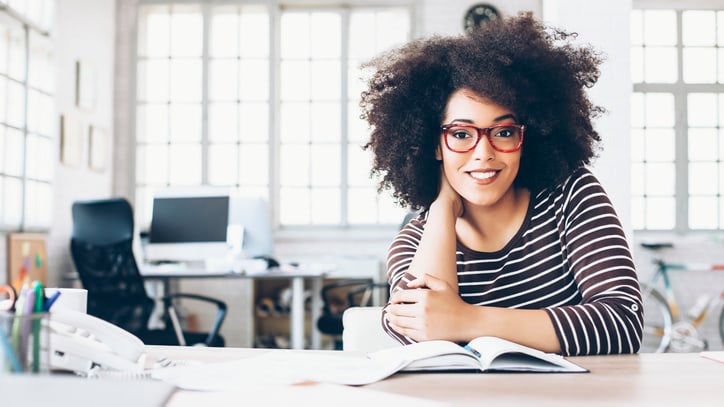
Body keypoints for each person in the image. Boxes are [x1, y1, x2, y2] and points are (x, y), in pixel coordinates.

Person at [361, 13, 642, 356]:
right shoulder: (416, 239)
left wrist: (467, 320)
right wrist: (443, 207)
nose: (484, 153)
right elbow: (415, 335)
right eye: (461, 134)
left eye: (504, 132)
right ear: (433, 144)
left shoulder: (571, 195)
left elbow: (623, 323)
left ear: (529, 136)